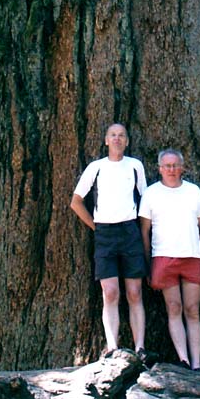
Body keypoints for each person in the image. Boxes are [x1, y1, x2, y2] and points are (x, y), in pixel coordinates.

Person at [70, 123, 148, 360]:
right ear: (106, 140)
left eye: (121, 135)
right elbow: (76, 201)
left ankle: (140, 348)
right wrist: (96, 227)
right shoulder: (97, 167)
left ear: (127, 141)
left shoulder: (135, 166)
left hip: (130, 231)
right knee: (111, 292)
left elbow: (145, 200)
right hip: (105, 233)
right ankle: (112, 346)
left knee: (134, 292)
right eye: (113, 135)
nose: (117, 139)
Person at [139, 149, 200, 372]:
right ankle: (183, 359)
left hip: (191, 255)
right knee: (174, 307)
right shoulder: (151, 193)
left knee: (192, 309)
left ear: (182, 167)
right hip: (163, 256)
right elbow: (144, 230)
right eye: (167, 166)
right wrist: (148, 260)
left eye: (175, 165)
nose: (171, 170)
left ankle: (197, 363)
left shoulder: (193, 191)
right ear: (160, 168)